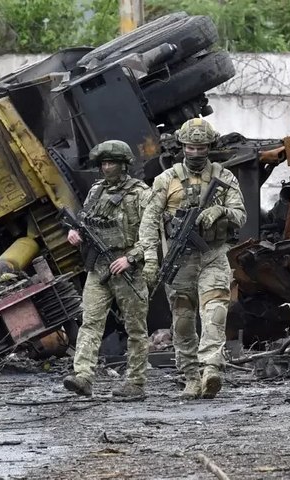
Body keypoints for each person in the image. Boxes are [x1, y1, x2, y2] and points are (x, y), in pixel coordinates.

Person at [138, 118, 247, 400]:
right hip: (180, 260)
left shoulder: (225, 178)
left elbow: (241, 215)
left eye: (201, 148)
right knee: (183, 321)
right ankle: (190, 376)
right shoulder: (166, 180)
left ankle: (211, 368)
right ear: (182, 147)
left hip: (212, 255)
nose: (196, 153)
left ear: (209, 147)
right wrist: (151, 259)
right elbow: (149, 222)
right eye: (190, 147)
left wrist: (220, 211)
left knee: (215, 312)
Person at [63, 140, 151, 399]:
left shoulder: (141, 194)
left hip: (128, 269)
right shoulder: (96, 191)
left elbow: (153, 235)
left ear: (124, 165)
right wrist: (75, 232)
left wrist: (131, 258)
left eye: (111, 163)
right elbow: (84, 220)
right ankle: (83, 376)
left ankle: (135, 382)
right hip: (98, 267)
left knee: (135, 327)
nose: (107, 168)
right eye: (103, 163)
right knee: (90, 322)